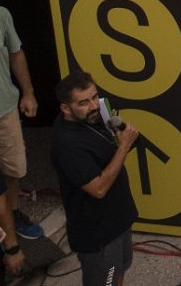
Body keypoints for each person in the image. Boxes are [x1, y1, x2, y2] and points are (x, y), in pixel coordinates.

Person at [49, 72, 138, 286]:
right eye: (83, 102)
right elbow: (98, 189)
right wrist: (123, 146)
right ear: (65, 108)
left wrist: (120, 133)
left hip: (118, 220)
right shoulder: (67, 145)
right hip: (99, 234)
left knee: (119, 272)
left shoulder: (93, 117)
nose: (94, 106)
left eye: (94, 97)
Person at [0, 5, 40, 239]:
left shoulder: (0, 15)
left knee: (12, 166)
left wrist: (28, 93)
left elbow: (16, 53)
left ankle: (13, 213)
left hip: (5, 108)